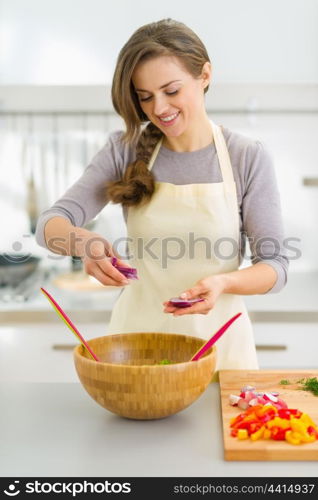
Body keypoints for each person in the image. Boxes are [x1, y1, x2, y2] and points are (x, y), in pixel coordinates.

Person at [36, 18, 288, 375]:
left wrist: (224, 282)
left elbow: (275, 267)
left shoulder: (245, 156)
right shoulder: (124, 150)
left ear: (205, 75)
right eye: (145, 97)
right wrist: (83, 243)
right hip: (136, 348)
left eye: (171, 91)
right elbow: (49, 224)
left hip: (219, 350)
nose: (159, 109)